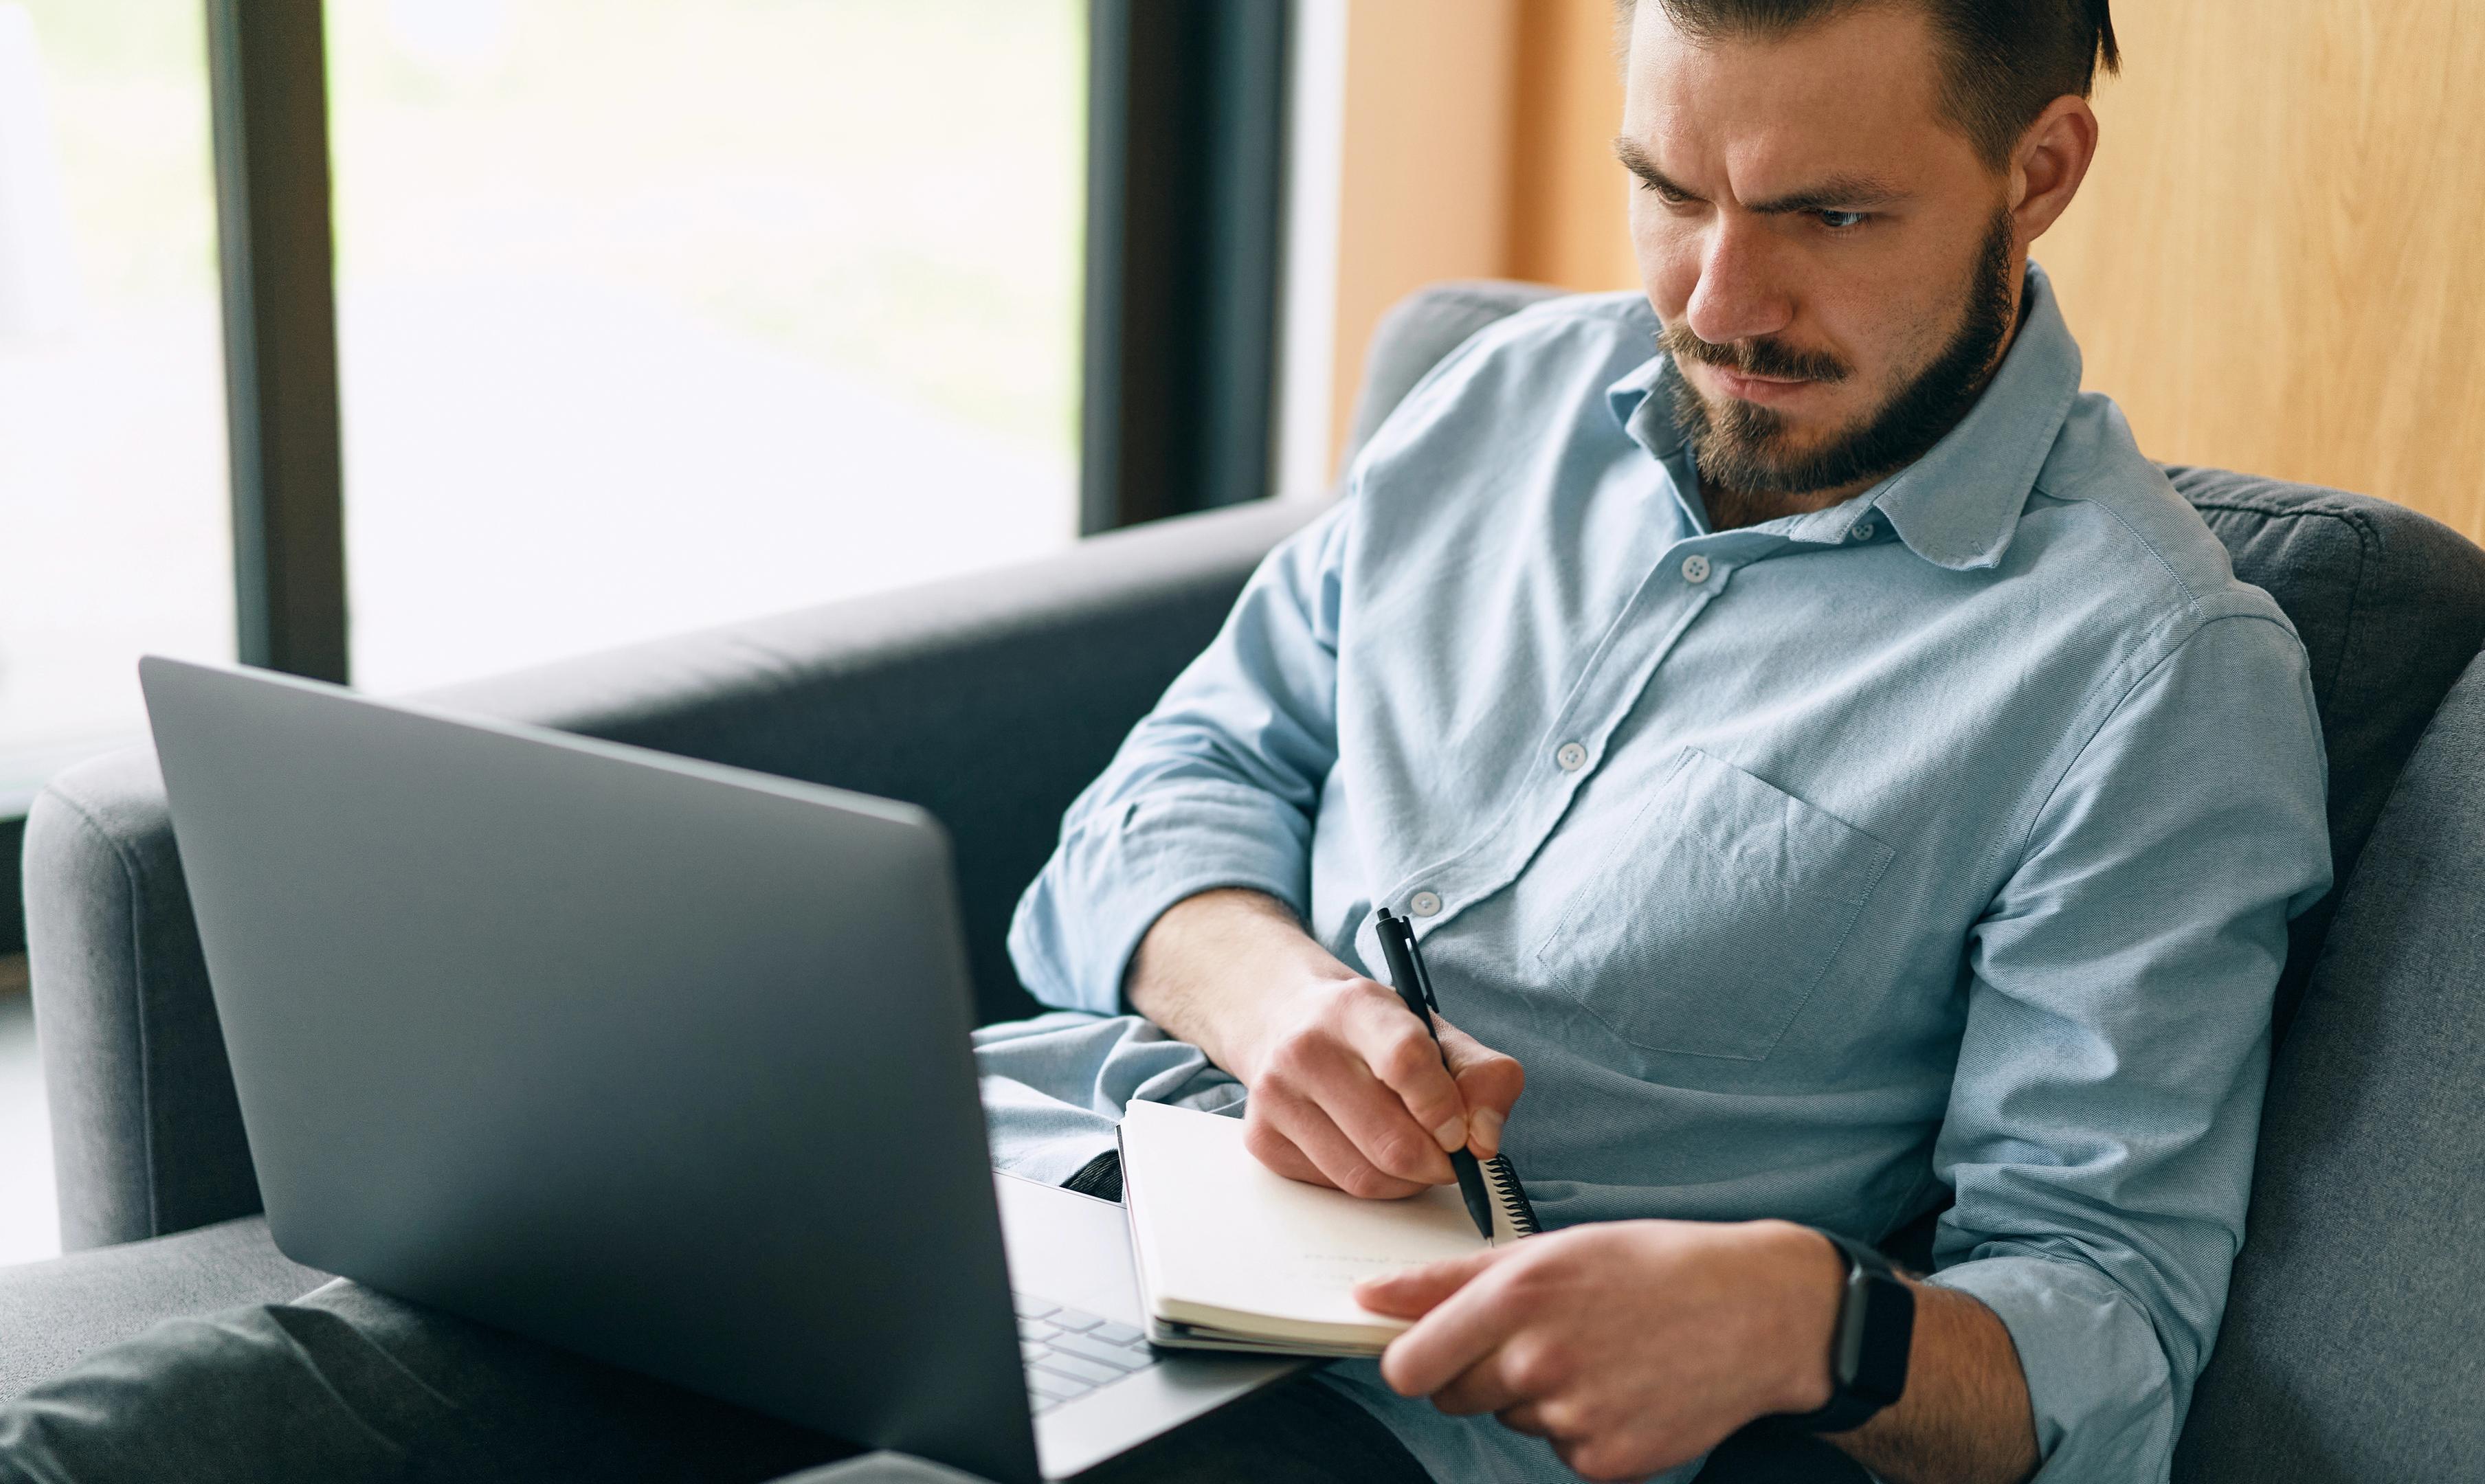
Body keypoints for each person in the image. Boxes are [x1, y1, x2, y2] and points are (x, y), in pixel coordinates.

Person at [0, 3, 2327, 1483]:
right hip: (1021, 1211)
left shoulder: (2148, 676)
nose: (1720, 299)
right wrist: (1270, 990)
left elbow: (2110, 1335)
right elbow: (1164, 802)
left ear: (2035, 174)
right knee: (153, 1434)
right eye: (1667, 190)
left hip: (1401, 1428)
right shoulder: (1509, 403)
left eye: (1824, 213)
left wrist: (1801, 1325)